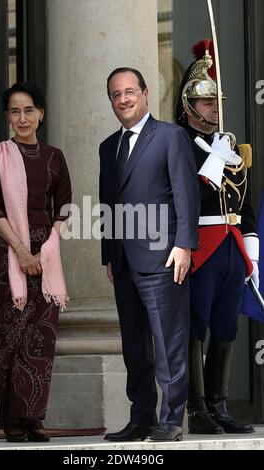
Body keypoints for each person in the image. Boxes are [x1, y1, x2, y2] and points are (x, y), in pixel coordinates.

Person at [99, 67, 200, 442]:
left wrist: (184, 244)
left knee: (169, 342)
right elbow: (109, 200)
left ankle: (172, 419)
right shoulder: (108, 146)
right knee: (135, 348)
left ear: (144, 93)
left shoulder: (171, 136)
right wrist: (109, 252)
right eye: (115, 94)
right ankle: (140, 417)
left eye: (129, 91)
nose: (123, 99)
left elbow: (185, 193)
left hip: (165, 257)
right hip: (124, 261)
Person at [175, 40, 259, 434]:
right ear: (189, 105)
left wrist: (252, 250)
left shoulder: (231, 145)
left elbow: (247, 202)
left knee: (227, 325)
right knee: (196, 326)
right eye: (206, 102)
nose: (214, 108)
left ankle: (218, 405)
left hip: (231, 244)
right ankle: (197, 409)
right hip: (201, 245)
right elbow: (188, 192)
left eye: (216, 101)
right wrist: (213, 158)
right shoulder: (177, 144)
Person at [0, 82, 71, 442]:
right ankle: (12, 422)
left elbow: (64, 208)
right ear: (8, 116)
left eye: (29, 110)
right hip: (6, 253)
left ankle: (33, 418)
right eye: (15, 111)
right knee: (8, 339)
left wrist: (45, 251)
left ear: (41, 114)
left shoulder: (54, 157)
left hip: (46, 254)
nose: (22, 118)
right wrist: (21, 251)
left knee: (40, 340)